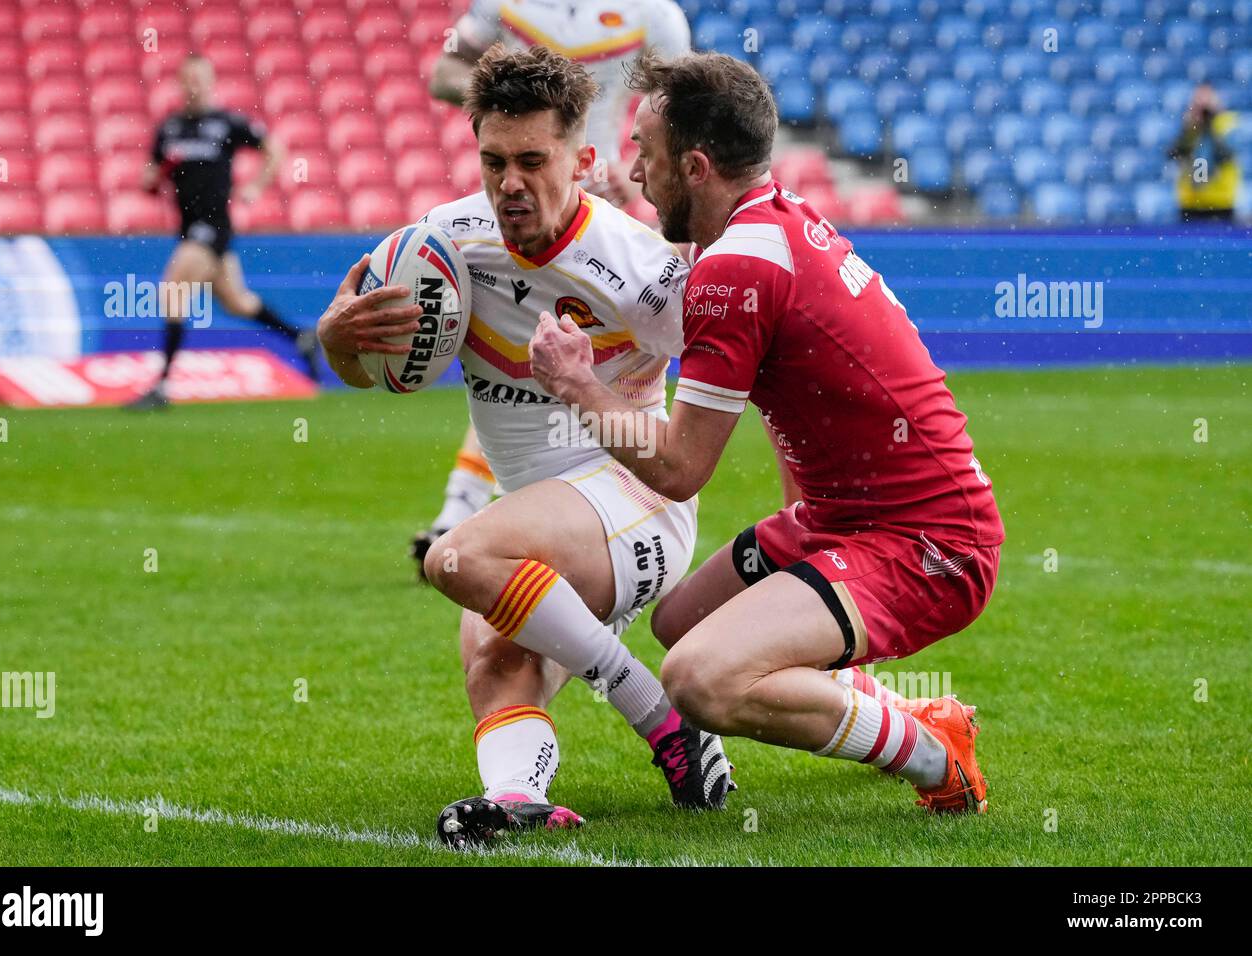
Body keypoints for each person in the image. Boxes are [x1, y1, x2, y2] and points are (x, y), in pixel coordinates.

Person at [529, 51, 1005, 814]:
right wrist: (646, 215)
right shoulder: (768, 221)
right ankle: (902, 716)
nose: (633, 170)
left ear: (694, 164)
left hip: (928, 540)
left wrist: (577, 383)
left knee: (700, 677)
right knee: (680, 619)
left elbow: (681, 467)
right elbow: (727, 285)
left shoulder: (740, 269)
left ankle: (930, 752)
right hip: (843, 518)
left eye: (645, 155)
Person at [315, 46, 731, 849]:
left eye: (533, 161)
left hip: (638, 503)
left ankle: (659, 719)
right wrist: (338, 344)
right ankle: (516, 797)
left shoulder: (636, 268)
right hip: (538, 523)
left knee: (455, 561)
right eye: (494, 161)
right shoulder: (442, 244)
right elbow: (371, 373)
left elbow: (736, 362)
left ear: (581, 160)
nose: (511, 183)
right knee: (492, 659)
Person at [413, 0, 692, 576]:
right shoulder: (503, 6)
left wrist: (644, 182)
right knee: (518, 352)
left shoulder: (653, 14)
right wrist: (518, 104)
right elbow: (443, 73)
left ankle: (629, 509)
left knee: (608, 362)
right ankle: (471, 510)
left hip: (611, 197)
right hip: (534, 186)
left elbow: (685, 113)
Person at [127, 54, 317, 410]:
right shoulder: (169, 128)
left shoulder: (226, 123)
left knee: (172, 289)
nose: (194, 86)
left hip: (213, 226)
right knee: (237, 302)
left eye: (200, 78)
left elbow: (274, 149)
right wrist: (153, 178)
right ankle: (300, 336)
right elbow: (148, 176)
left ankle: (162, 386)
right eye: (188, 79)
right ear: (180, 84)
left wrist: (257, 186)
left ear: (211, 82)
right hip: (188, 229)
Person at [1170, 84, 1241, 223]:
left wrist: (1210, 125)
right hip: (1190, 205)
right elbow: (1174, 152)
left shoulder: (1228, 124)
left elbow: (1226, 153)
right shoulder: (1189, 128)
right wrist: (1190, 129)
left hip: (1220, 204)